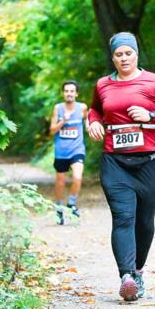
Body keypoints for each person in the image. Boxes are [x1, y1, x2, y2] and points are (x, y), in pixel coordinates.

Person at [88, 32, 155, 301]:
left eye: (128, 53)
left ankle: (138, 271)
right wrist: (93, 121)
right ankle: (126, 276)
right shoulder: (103, 85)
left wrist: (151, 115)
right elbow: (95, 110)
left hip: (150, 162)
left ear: (136, 54)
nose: (124, 58)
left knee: (144, 222)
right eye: (119, 54)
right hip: (115, 162)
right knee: (123, 217)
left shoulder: (153, 82)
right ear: (113, 57)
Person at [50, 80, 90, 225]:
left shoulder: (82, 107)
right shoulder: (58, 108)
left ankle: (71, 204)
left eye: (72, 91)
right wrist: (63, 121)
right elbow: (52, 130)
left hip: (77, 149)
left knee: (77, 176)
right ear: (63, 93)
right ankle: (59, 208)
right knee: (60, 182)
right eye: (66, 91)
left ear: (76, 93)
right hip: (61, 151)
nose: (69, 93)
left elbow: (87, 119)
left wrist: (89, 126)